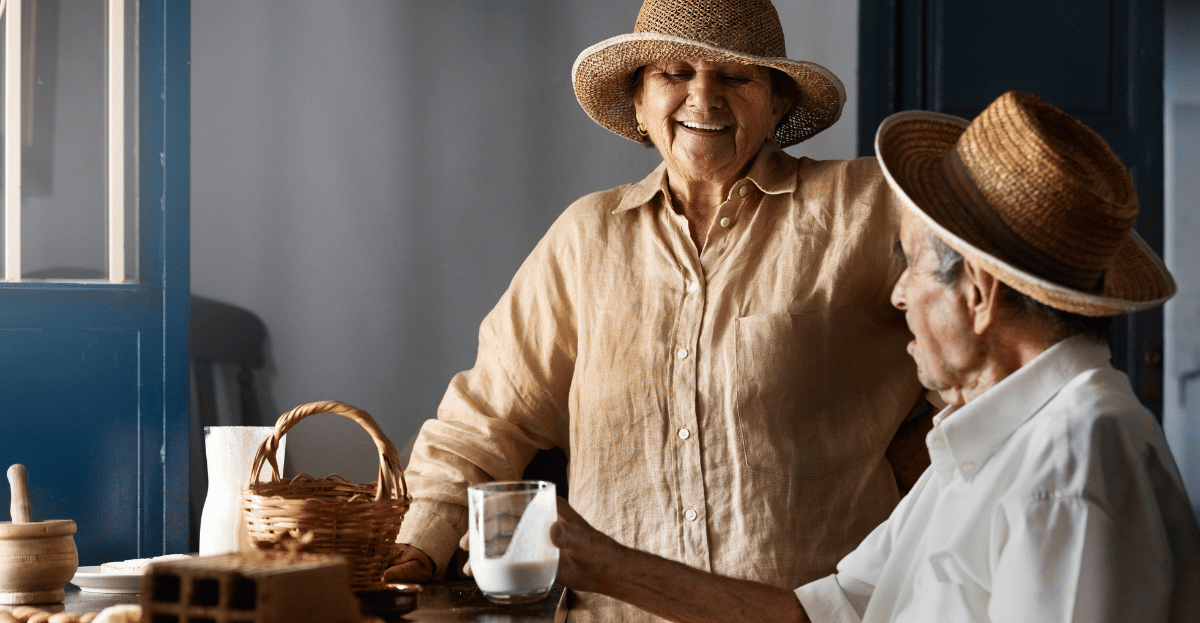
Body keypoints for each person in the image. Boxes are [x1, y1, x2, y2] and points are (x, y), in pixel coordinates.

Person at [515, 91, 1200, 622]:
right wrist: (605, 565)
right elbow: (830, 609)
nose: (898, 293)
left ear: (979, 294)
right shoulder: (992, 443)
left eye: (912, 262)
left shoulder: (1074, 463)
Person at [388, 0, 932, 619]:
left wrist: (918, 463)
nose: (705, 98)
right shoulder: (586, 237)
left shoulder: (865, 208)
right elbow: (485, 420)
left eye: (736, 76)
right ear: (640, 103)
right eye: (675, 73)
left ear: (778, 101)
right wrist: (419, 547)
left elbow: (1002, 339)